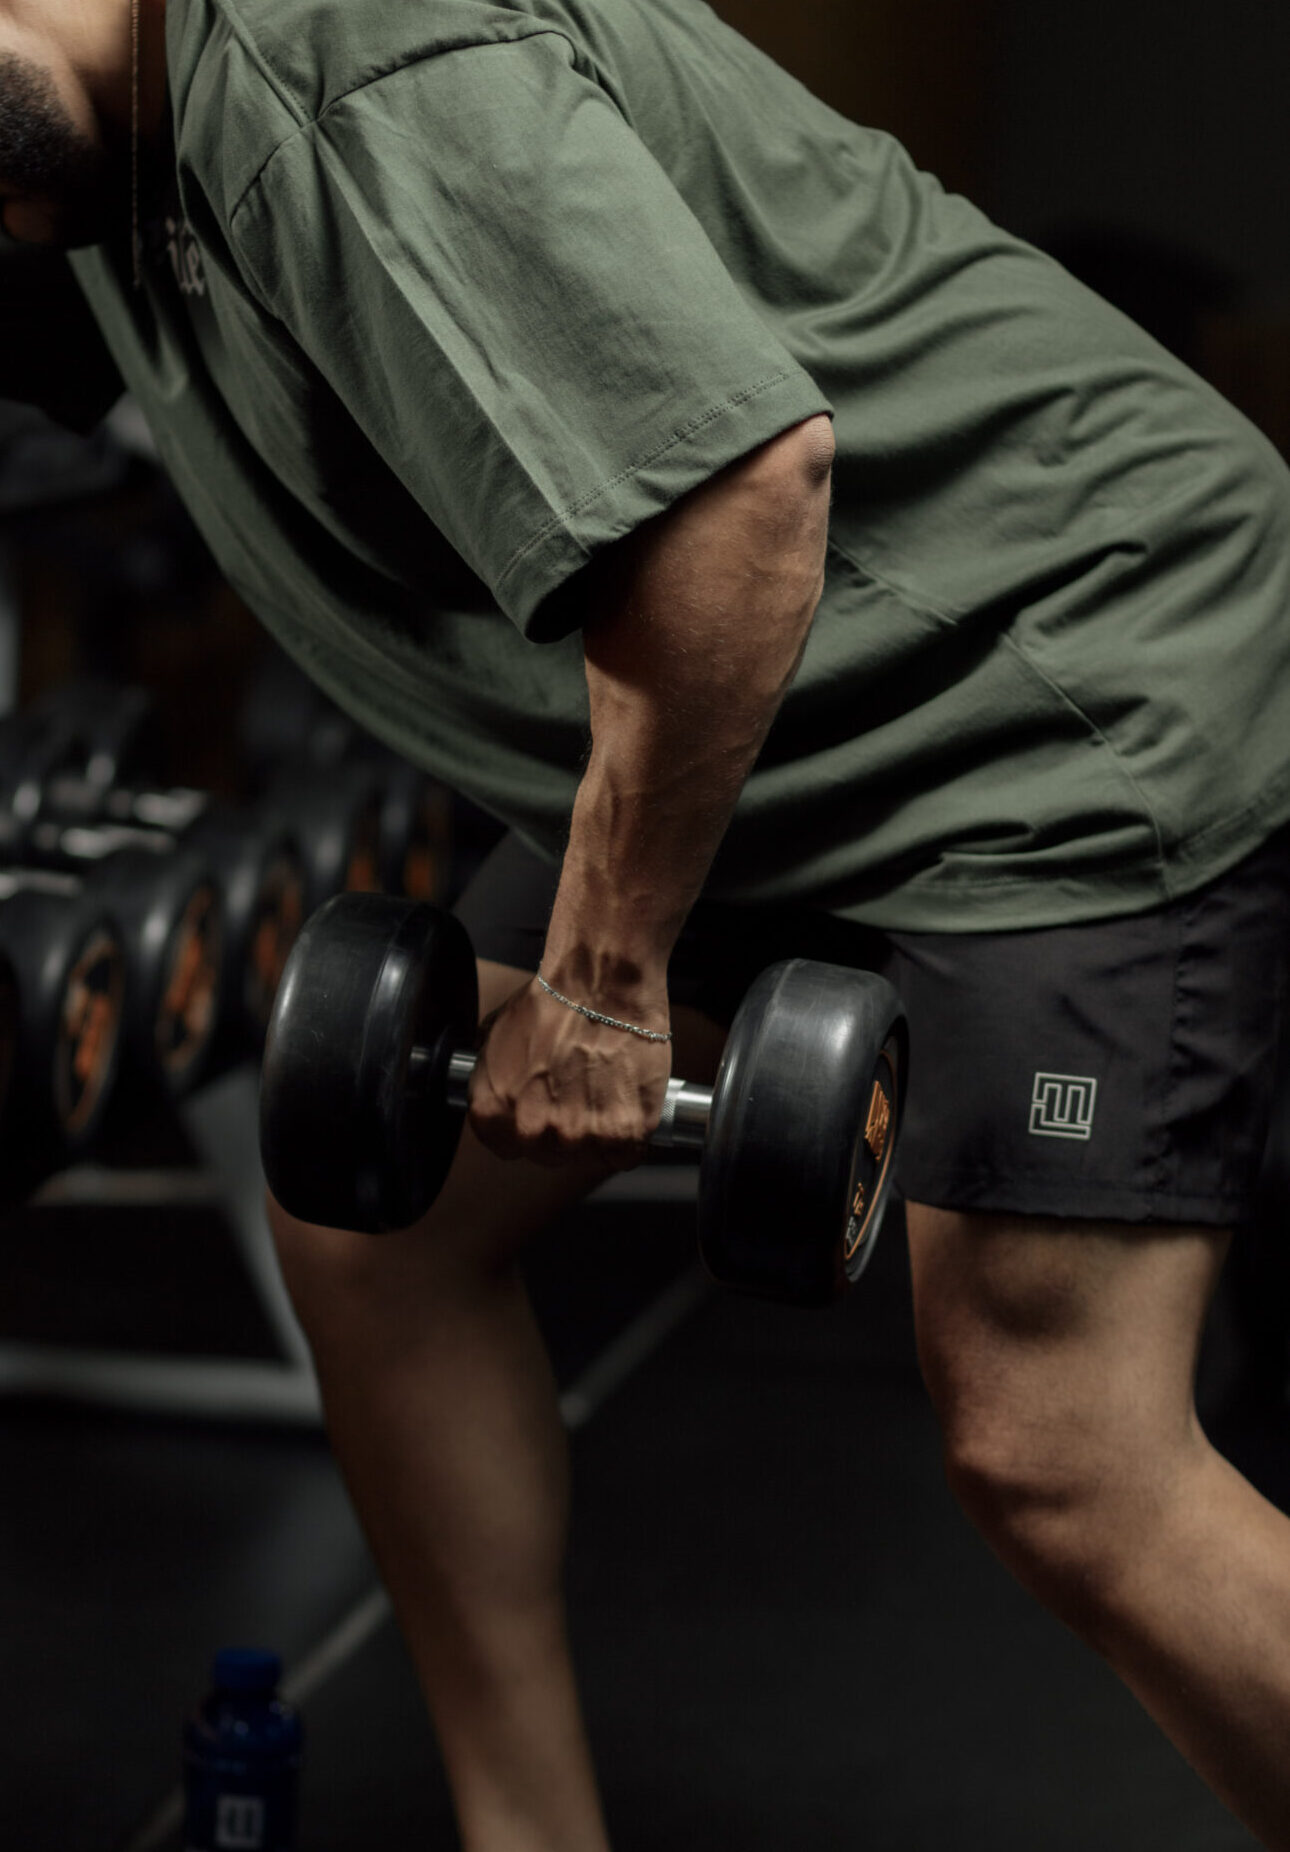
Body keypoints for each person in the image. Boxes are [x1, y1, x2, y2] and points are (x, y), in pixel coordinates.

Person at [4, 0, 1290, 1845]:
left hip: (1053, 688)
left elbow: (740, 508)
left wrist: (604, 983)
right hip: (761, 713)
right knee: (379, 1232)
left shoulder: (345, 53)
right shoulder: (78, 150)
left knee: (1061, 1452)